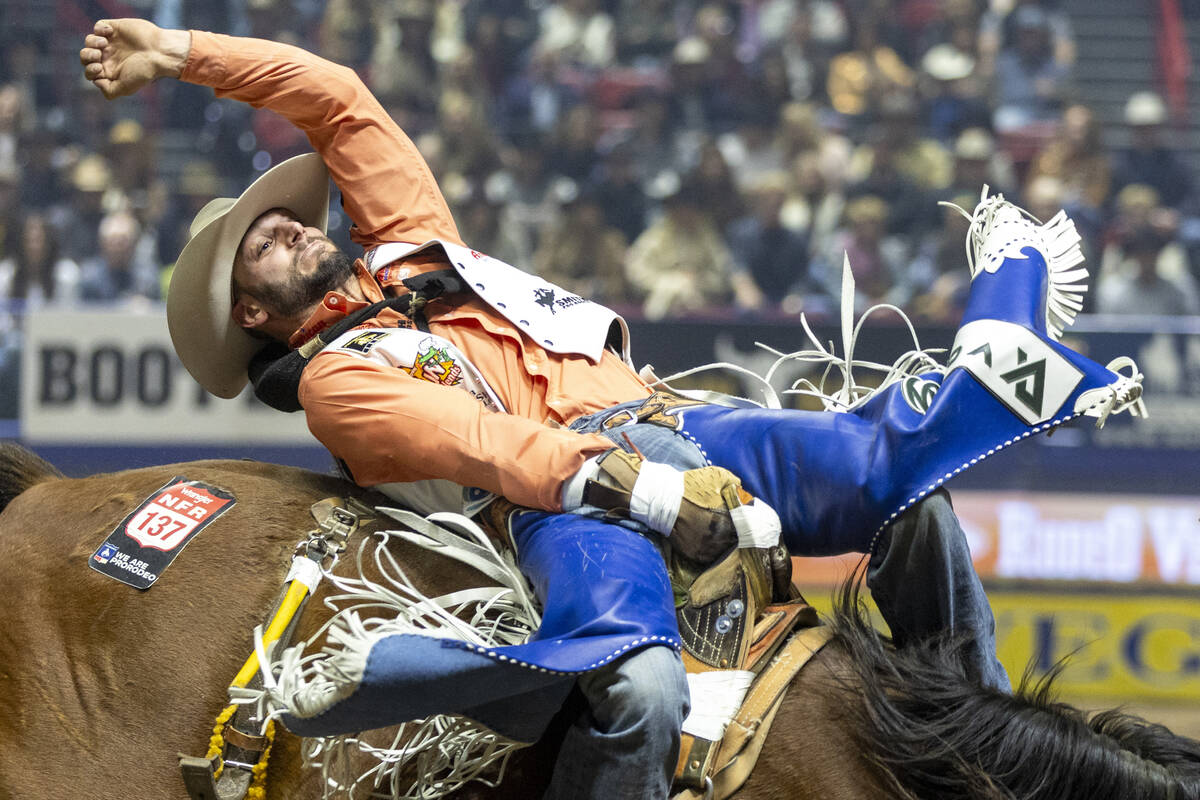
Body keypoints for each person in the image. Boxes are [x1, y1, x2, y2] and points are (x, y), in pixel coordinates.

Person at [81, 19, 1143, 800]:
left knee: (903, 490)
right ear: (258, 314)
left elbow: (337, 96)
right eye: (259, 251)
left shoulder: (412, 243)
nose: (283, 228)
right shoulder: (334, 378)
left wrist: (181, 56)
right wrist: (647, 486)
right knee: (634, 684)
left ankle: (987, 741)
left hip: (673, 417)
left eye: (277, 219)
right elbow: (482, 443)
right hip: (560, 507)